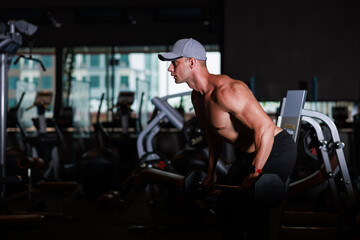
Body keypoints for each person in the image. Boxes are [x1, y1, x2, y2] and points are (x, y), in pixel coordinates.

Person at [158, 38, 297, 240]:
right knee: (226, 210)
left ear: (191, 62)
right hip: (247, 154)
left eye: (175, 63)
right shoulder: (196, 97)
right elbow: (212, 134)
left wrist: (255, 172)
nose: (170, 69)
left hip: (276, 148)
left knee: (253, 209)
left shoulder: (228, 91)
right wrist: (211, 172)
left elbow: (265, 128)